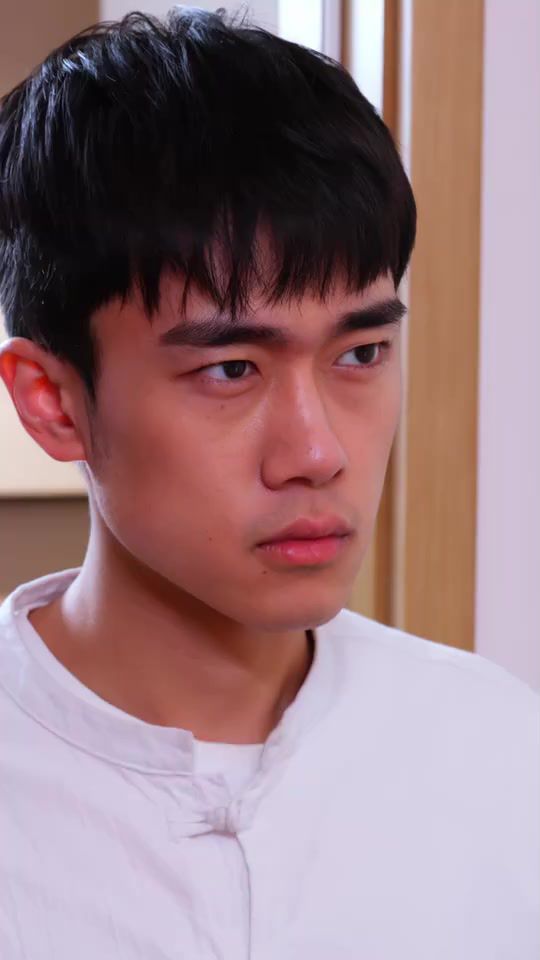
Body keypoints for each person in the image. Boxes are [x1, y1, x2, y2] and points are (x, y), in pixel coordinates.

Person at [0, 8, 537, 959]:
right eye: (231, 369)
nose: (318, 452)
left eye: (361, 352)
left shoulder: (495, 748)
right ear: (53, 402)